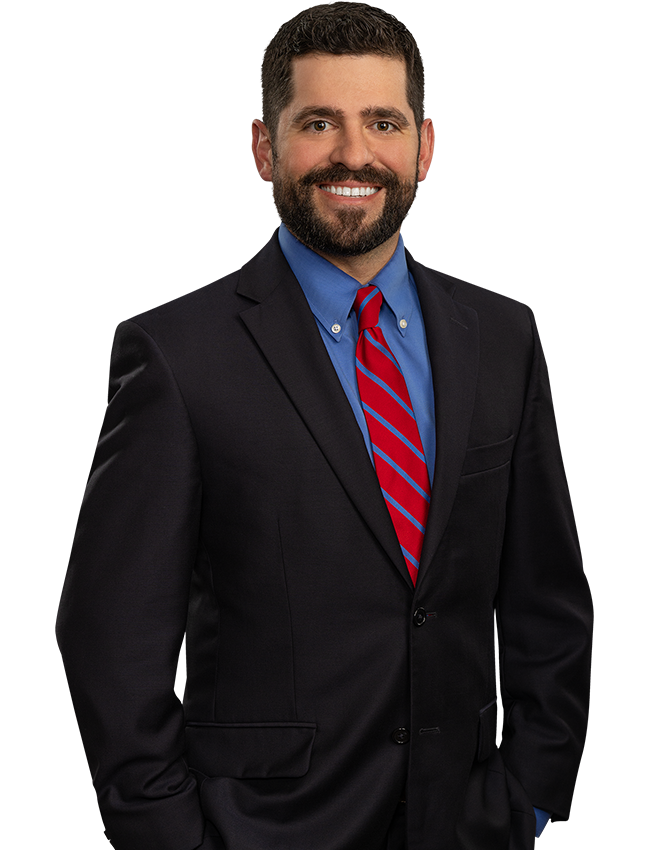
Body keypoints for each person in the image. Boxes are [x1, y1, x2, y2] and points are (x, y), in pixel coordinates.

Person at [55, 4, 592, 849]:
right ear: (264, 148)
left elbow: (545, 600)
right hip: (266, 830)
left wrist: (533, 796)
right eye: (317, 123)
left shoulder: (503, 337)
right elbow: (112, 638)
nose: (354, 153)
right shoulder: (174, 356)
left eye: (383, 122)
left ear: (424, 145)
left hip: (472, 821)